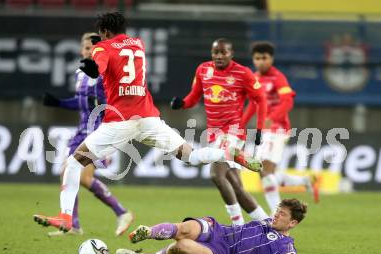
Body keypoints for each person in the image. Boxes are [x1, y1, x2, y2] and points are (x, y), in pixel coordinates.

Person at [33, 12, 263, 233]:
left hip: (119, 121)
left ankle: (65, 216)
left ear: (104, 31)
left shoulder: (102, 47)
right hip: (148, 118)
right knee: (191, 156)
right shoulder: (138, 44)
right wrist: (100, 54)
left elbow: (99, 67)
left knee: (74, 164)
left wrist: (93, 64)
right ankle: (230, 154)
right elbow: (116, 55)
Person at [36, 32, 133, 236]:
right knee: (67, 172)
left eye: (93, 48)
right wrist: (59, 102)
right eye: (87, 48)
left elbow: (112, 100)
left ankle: (122, 212)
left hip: (99, 130)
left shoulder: (104, 73)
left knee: (82, 177)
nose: (90, 51)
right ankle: (74, 224)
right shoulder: (80, 73)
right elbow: (80, 103)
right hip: (81, 131)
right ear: (82, 50)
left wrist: (102, 103)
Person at [170, 38, 269, 225]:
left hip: (232, 132)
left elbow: (261, 99)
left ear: (231, 54)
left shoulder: (243, 73)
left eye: (223, 52)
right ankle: (267, 223)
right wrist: (182, 103)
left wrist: (259, 129)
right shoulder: (203, 70)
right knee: (236, 186)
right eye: (216, 52)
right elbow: (194, 96)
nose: (219, 56)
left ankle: (237, 224)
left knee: (216, 174)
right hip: (214, 133)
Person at [116, 198, 306, 254]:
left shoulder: (285, 244)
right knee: (186, 228)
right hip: (219, 230)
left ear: (293, 223)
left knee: (182, 246)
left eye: (282, 214)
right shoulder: (267, 221)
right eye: (277, 210)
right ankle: (149, 231)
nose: (276, 215)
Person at [242, 42, 319, 215]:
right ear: (253, 59)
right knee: (265, 172)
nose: (261, 61)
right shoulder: (254, 78)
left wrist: (272, 117)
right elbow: (253, 104)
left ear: (271, 59)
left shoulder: (278, 77)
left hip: (278, 129)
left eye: (265, 58)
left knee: (264, 170)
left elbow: (288, 101)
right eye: (257, 58)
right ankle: (306, 181)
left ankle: (277, 214)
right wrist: (242, 123)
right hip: (264, 130)